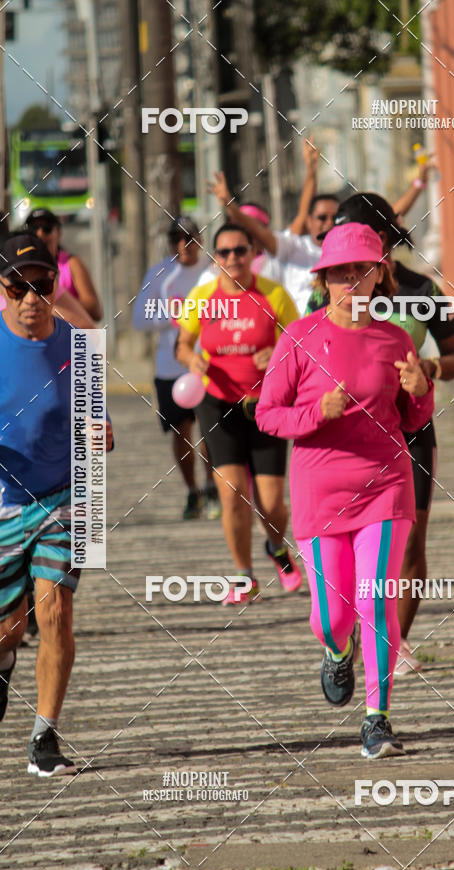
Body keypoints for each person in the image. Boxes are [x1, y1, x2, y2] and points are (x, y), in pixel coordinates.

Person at [256, 223, 435, 758]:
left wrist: (421, 393)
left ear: (380, 275)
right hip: (320, 494)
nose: (351, 283)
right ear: (326, 280)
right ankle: (337, 650)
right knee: (331, 615)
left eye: (361, 271)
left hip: (384, 486)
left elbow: (411, 419)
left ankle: (377, 719)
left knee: (374, 600)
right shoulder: (300, 337)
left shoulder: (396, 339)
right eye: (340, 273)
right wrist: (317, 413)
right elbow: (267, 415)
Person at [310, 193, 454, 674]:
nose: (337, 249)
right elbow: (308, 345)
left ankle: (390, 641)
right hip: (344, 439)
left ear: (380, 237)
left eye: (347, 232)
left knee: (413, 541)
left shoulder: (421, 289)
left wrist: (431, 367)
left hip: (411, 430)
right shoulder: (330, 289)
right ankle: (344, 627)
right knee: (356, 542)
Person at [0, 232, 113, 776]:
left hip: (62, 498)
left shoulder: (80, 345)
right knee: (9, 627)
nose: (29, 298)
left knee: (56, 611)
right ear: (2, 289)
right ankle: (5, 658)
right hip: (1, 503)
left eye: (40, 286)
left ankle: (45, 734)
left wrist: (102, 434)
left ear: (54, 286)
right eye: (16, 286)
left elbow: (97, 425)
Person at [176, 223, 302, 604]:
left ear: (252, 254)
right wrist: (193, 360)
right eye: (225, 252)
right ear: (215, 259)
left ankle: (277, 547)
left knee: (272, 502)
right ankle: (244, 576)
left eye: (240, 251)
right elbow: (182, 346)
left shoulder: (274, 295)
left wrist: (278, 351)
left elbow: (298, 342)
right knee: (231, 494)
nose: (233, 258)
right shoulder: (201, 297)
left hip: (266, 404)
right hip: (216, 402)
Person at [133, 215, 220, 520]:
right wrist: (171, 316)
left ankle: (212, 487)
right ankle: (192, 491)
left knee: (210, 430)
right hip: (170, 368)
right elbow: (138, 319)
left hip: (207, 364)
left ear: (201, 240)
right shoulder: (159, 274)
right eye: (176, 239)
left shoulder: (213, 272)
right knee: (181, 431)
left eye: (190, 238)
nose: (183, 245)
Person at [210, 165, 338, 315]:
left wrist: (311, 171)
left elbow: (302, 215)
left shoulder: (277, 251)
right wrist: (231, 207)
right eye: (225, 252)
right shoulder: (293, 247)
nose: (329, 223)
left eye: (254, 226)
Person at [25, 207, 102, 322]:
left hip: (73, 336)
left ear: (59, 234)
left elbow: (95, 311)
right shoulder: (20, 268)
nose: (40, 233)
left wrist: (56, 301)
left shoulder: (71, 263)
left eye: (47, 228)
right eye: (33, 228)